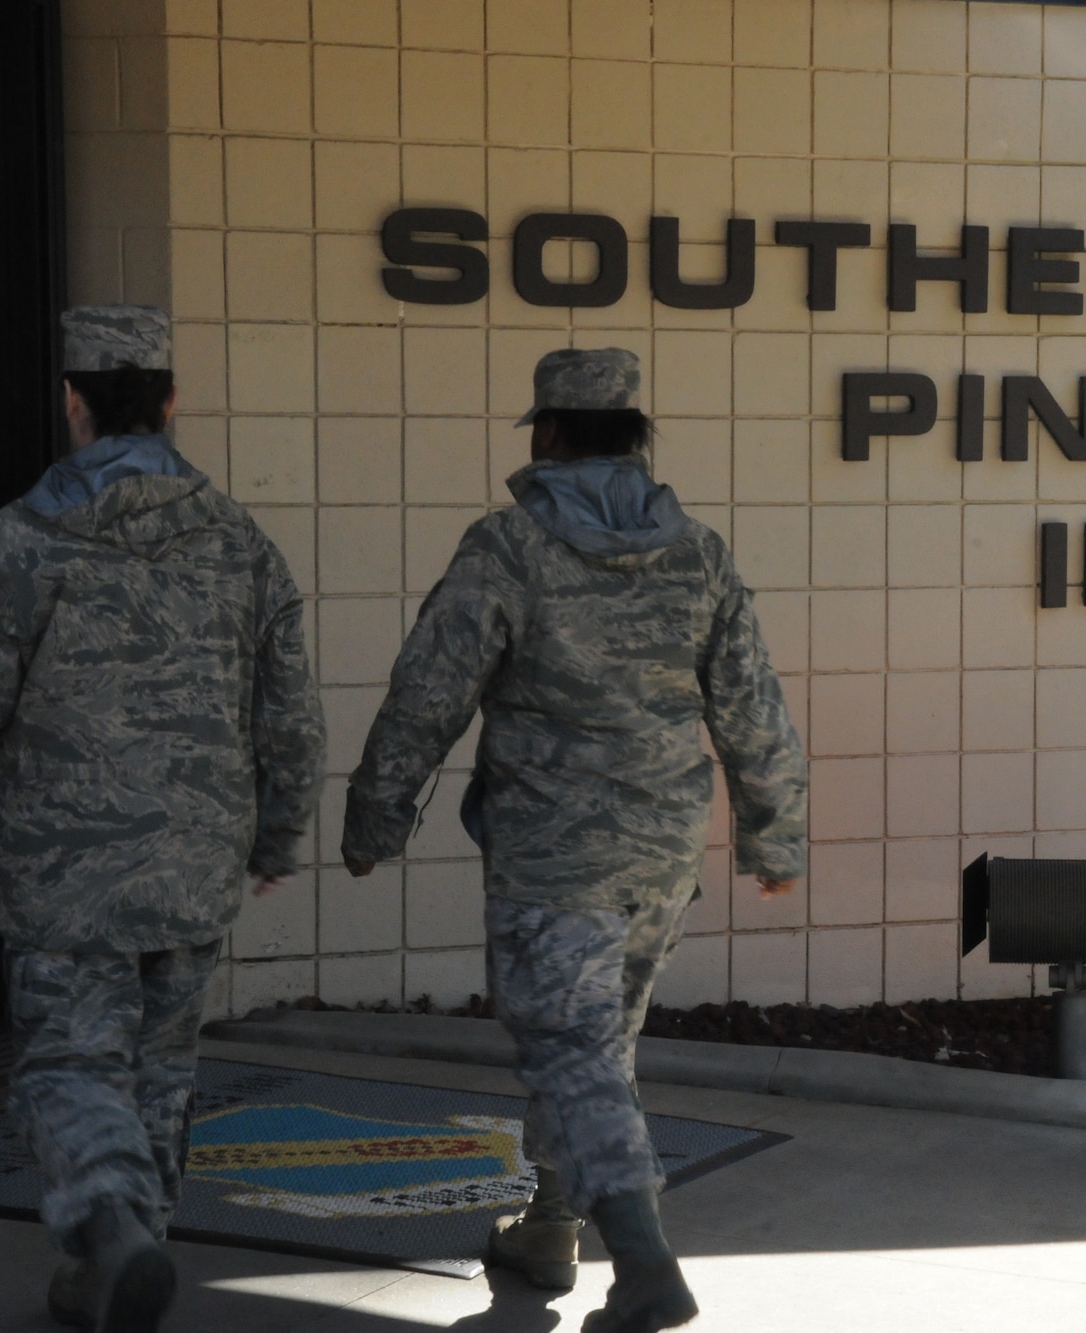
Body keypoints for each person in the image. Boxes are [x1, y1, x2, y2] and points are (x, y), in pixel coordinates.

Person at [341, 346, 806, 1333]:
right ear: (635, 438)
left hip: (553, 851)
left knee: (569, 1044)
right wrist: (772, 839)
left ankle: (642, 1262)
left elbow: (427, 694)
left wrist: (375, 817)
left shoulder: (507, 547)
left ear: (546, 435)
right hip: (661, 850)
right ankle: (548, 1224)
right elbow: (753, 706)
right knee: (598, 1042)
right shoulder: (699, 553)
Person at [0, 305, 326, 1333]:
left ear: (72, 403)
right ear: (171, 404)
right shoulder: (241, 544)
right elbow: (292, 715)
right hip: (192, 865)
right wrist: (275, 836)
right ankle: (121, 1263)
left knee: (70, 1063)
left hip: (61, 871)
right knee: (162, 1070)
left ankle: (109, 1228)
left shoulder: (23, 540)